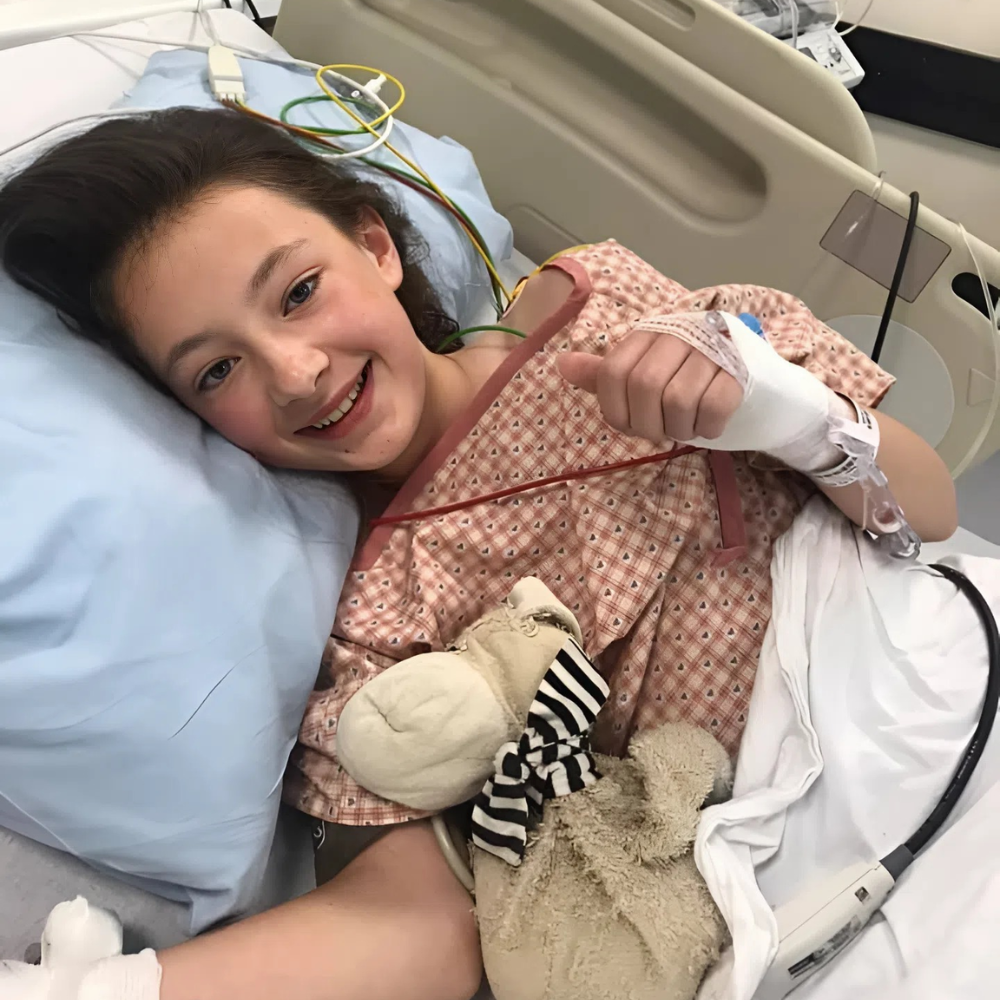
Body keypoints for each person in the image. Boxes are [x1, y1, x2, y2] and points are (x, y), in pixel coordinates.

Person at [0, 106, 957, 1000]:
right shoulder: (369, 619)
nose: (295, 373)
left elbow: (931, 508)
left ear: (375, 247)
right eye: (217, 370)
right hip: (812, 860)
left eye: (299, 293)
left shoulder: (608, 312)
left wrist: (792, 417)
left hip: (930, 658)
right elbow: (421, 925)